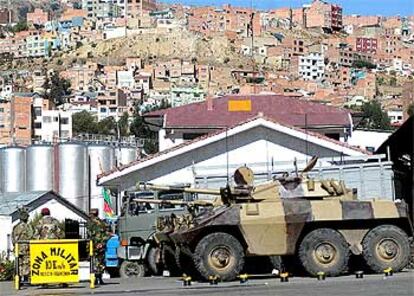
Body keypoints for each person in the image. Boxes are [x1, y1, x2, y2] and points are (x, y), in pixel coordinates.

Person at [87, 209, 110, 285]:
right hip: (101, 245)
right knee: (100, 262)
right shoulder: (103, 223)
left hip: (93, 245)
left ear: (92, 214)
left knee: (93, 262)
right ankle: (99, 278)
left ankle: (95, 279)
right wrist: (102, 243)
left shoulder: (90, 223)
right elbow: (108, 234)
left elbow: (89, 234)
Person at [12, 207, 34, 282]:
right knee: (26, 263)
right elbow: (31, 236)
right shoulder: (28, 227)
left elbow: (13, 238)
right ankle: (25, 278)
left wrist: (15, 246)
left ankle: (18, 278)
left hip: (18, 248)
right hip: (26, 248)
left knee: (18, 263)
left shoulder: (15, 227)